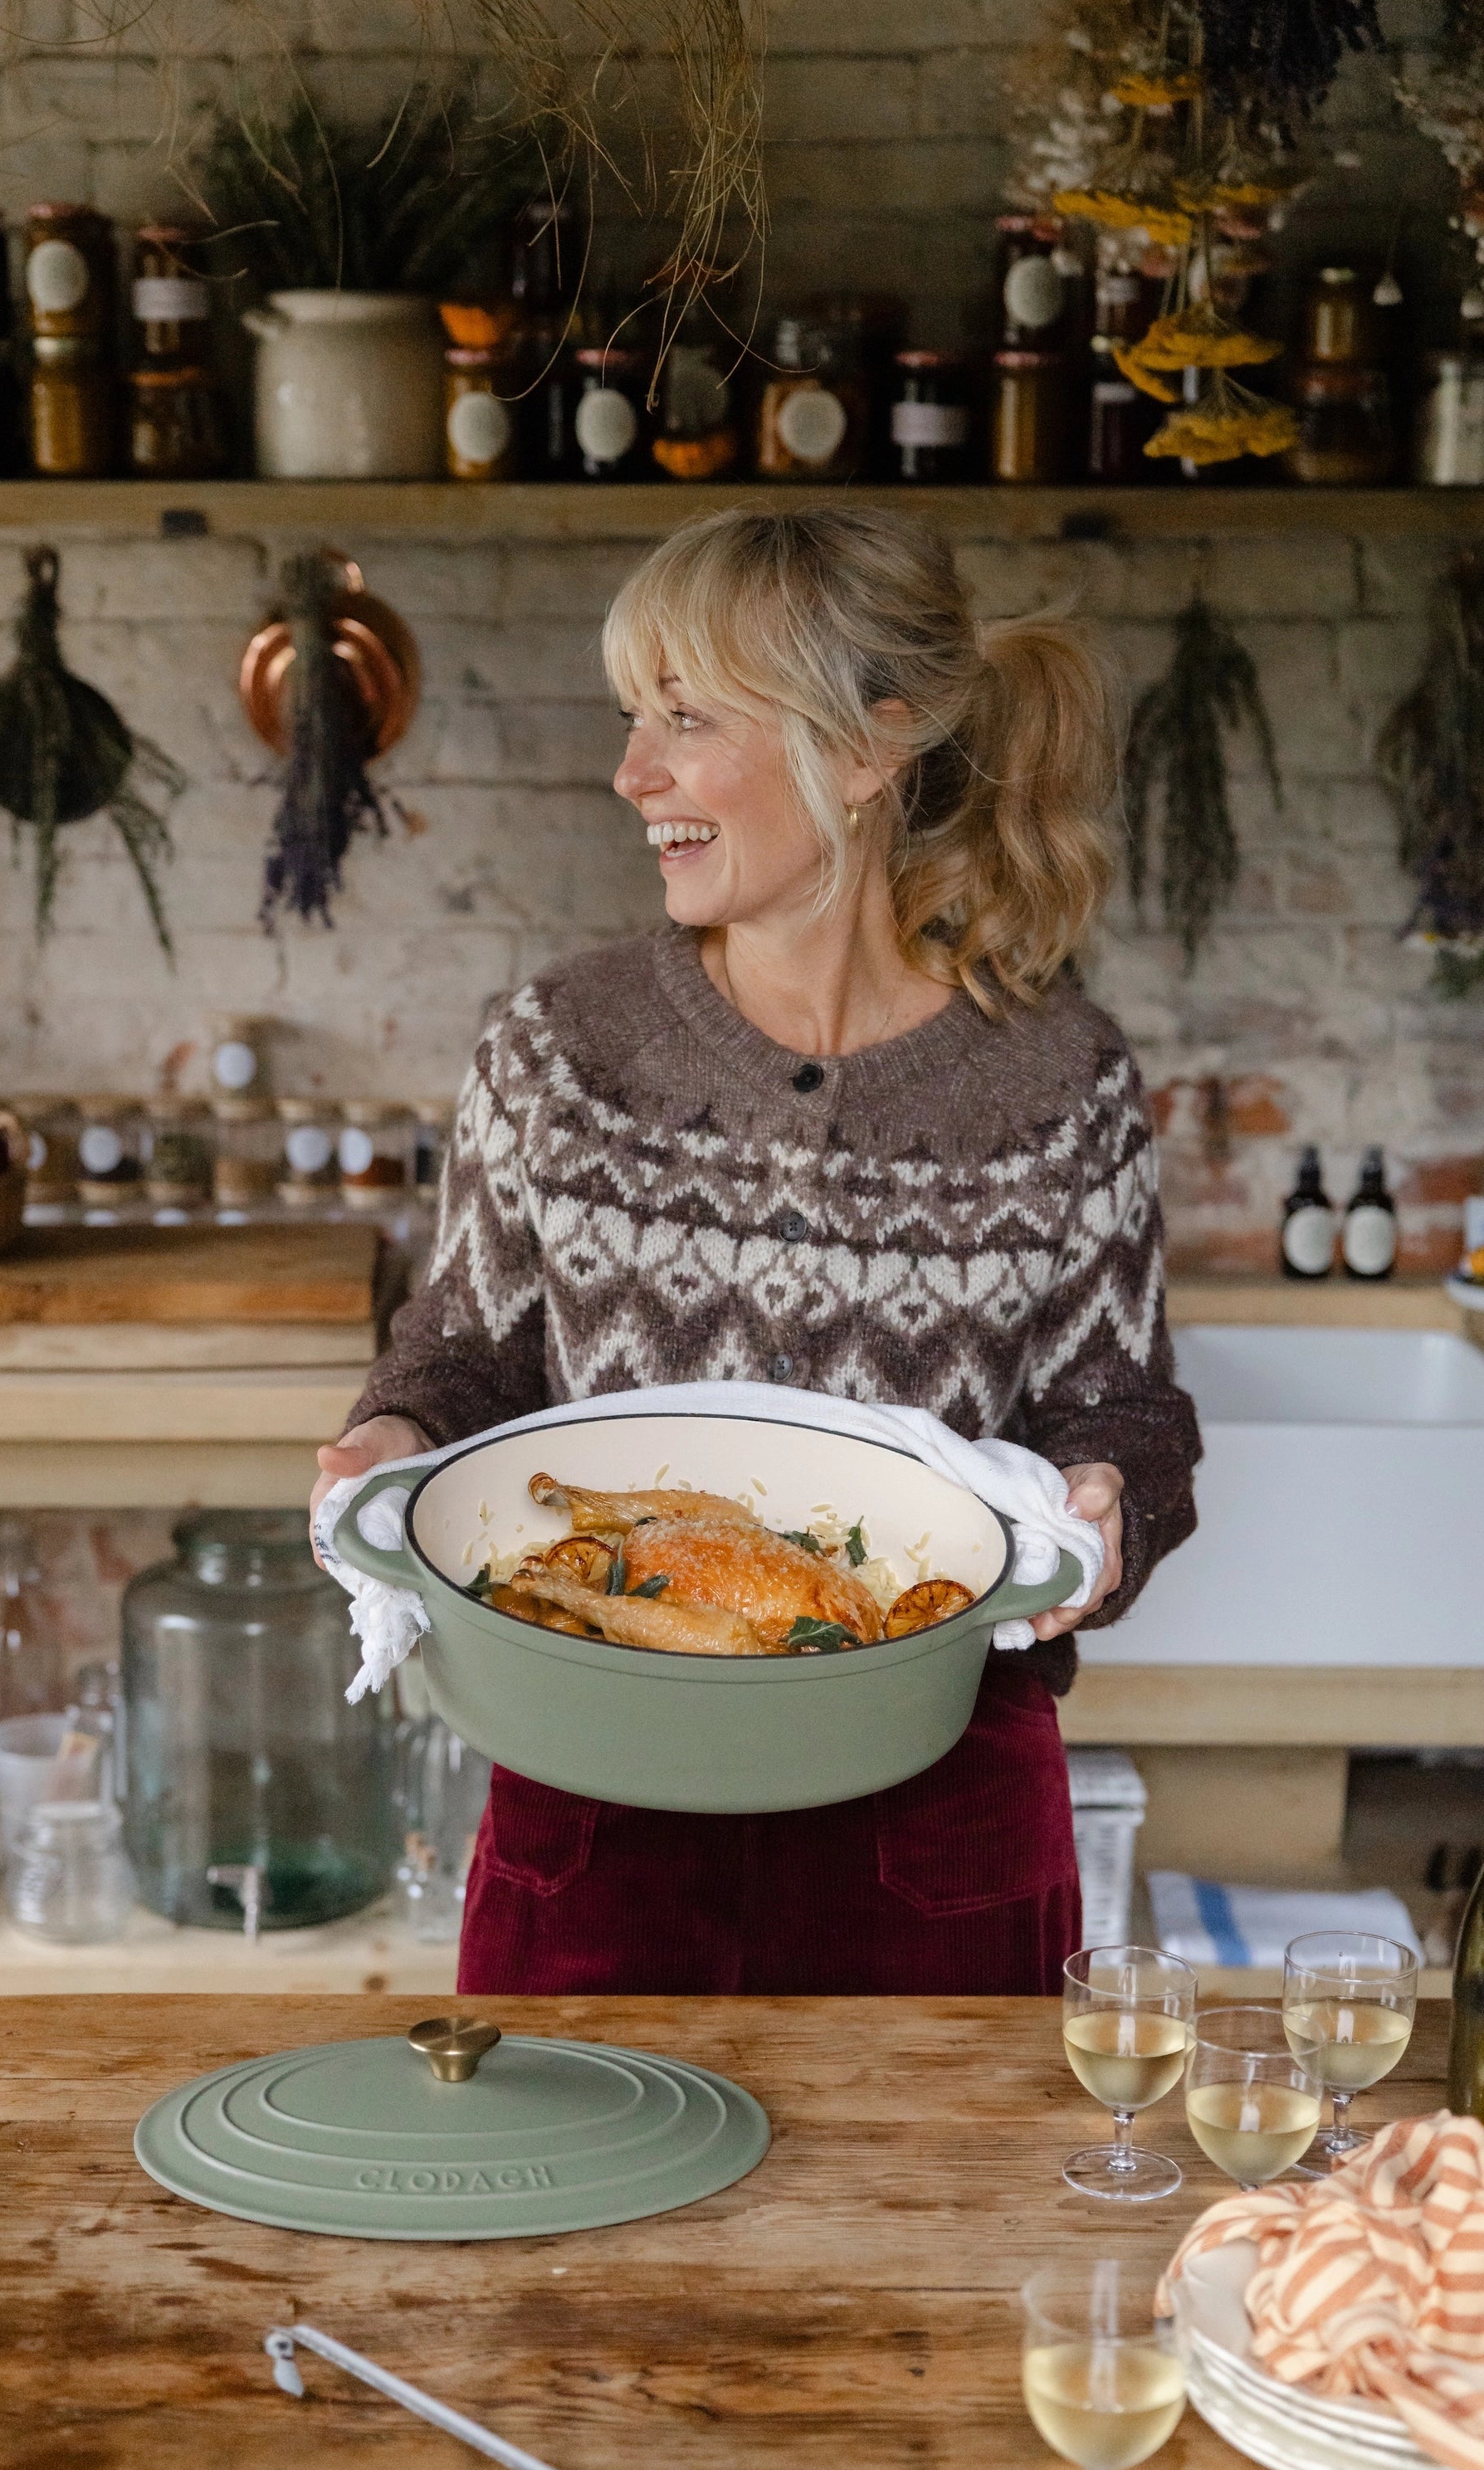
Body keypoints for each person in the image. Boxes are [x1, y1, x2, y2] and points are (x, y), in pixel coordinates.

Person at [312, 507, 1200, 1997]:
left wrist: (1112, 1500)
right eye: (631, 716)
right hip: (595, 1798)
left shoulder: (1059, 1084)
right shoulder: (562, 1051)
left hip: (937, 1826)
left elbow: (1123, 1416)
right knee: (564, 2228)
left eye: (687, 717)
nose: (631, 771)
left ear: (866, 750)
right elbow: (461, 1355)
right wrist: (391, 1431)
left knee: (934, 2237)